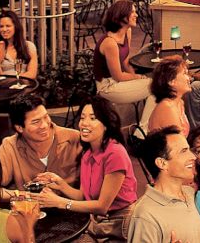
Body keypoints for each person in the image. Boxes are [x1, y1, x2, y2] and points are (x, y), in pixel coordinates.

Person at [37, 98, 139, 239]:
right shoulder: (87, 153)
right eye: (82, 117)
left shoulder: (115, 153)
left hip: (121, 224)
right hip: (99, 222)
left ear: (106, 124)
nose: (84, 123)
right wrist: (60, 184)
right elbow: (83, 196)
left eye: (93, 118)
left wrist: (60, 202)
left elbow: (102, 206)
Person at [0, 94, 82, 203]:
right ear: (19, 128)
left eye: (46, 117)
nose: (44, 125)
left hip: (72, 211)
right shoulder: (10, 145)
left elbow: (94, 191)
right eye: (36, 122)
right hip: (31, 213)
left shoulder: (75, 139)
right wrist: (26, 196)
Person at [126, 127, 200, 243]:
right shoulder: (145, 216)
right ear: (162, 163)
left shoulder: (191, 194)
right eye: (183, 151)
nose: (193, 157)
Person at [94, 0, 151, 129]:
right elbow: (118, 76)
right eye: (133, 12)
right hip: (107, 87)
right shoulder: (110, 43)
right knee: (156, 86)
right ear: (122, 15)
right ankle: (142, 132)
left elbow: (125, 62)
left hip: (118, 82)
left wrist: (136, 78)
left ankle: (145, 129)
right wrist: (139, 78)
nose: (136, 15)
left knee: (157, 84)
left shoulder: (127, 32)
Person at [146, 55, 193, 136]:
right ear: (171, 81)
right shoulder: (167, 108)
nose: (189, 78)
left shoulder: (179, 102)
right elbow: (178, 145)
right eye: (184, 73)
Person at [0, 9, 39, 79]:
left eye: (8, 26)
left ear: (15, 27)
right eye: (1, 26)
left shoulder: (29, 46)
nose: (4, 29)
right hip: (4, 87)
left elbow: (32, 74)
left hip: (24, 86)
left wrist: (14, 80)